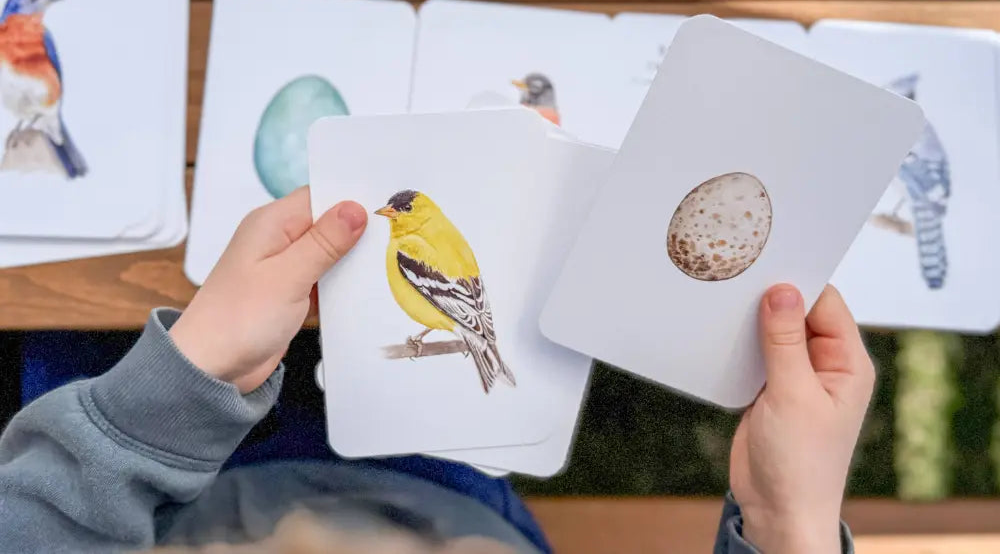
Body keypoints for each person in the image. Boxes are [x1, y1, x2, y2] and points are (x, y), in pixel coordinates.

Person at [0, 188, 873, 553]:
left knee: (75, 303)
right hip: (450, 508)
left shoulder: (421, 239)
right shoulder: (423, 237)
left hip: (182, 509)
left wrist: (189, 375)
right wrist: (786, 523)